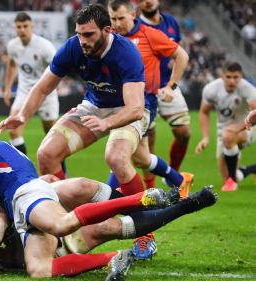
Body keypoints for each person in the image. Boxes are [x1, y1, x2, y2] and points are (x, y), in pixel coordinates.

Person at [0, 4, 191, 200]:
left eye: (89, 34)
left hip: (130, 109)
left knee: (117, 157)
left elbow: (136, 108)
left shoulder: (127, 52)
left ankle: (144, 225)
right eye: (79, 34)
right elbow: (42, 87)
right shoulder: (73, 47)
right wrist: (22, 115)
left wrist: (106, 123)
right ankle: (66, 222)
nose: (82, 41)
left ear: (107, 31)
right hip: (94, 106)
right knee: (46, 154)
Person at [0, 137, 181, 278]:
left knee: (65, 221)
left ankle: (140, 200)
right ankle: (114, 258)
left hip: (28, 196)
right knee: (39, 269)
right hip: (23, 217)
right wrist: (0, 222)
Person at [107, 0, 190, 260]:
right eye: (113, 19)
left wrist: (172, 86)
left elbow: (181, 55)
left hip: (143, 106)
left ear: (133, 14)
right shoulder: (111, 38)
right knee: (141, 158)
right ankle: (180, 181)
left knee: (120, 156)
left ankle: (112, 207)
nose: (117, 24)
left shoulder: (150, 34)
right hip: (121, 104)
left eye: (121, 18)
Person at [138, 0, 192, 188]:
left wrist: (171, 84)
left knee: (184, 133)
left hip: (167, 85)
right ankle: (150, 188)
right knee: (148, 138)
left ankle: (171, 175)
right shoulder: (136, 26)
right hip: (143, 89)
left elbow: (179, 53)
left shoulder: (171, 22)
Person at [3, 12, 59, 157]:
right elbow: (11, 64)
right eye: (18, 27)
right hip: (24, 92)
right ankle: (24, 170)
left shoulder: (45, 46)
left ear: (31, 26)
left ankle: (61, 173)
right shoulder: (12, 46)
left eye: (25, 26)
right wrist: (7, 88)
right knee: (13, 130)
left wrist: (53, 86)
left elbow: (58, 67)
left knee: (52, 135)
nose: (22, 29)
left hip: (46, 93)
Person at [195, 62, 256, 191]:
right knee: (229, 174)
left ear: (241, 76)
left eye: (236, 77)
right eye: (228, 77)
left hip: (248, 128)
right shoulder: (211, 89)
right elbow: (204, 112)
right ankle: (251, 170)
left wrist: (238, 128)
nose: (232, 81)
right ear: (222, 75)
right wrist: (205, 137)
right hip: (223, 131)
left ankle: (231, 182)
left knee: (228, 136)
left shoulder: (247, 89)